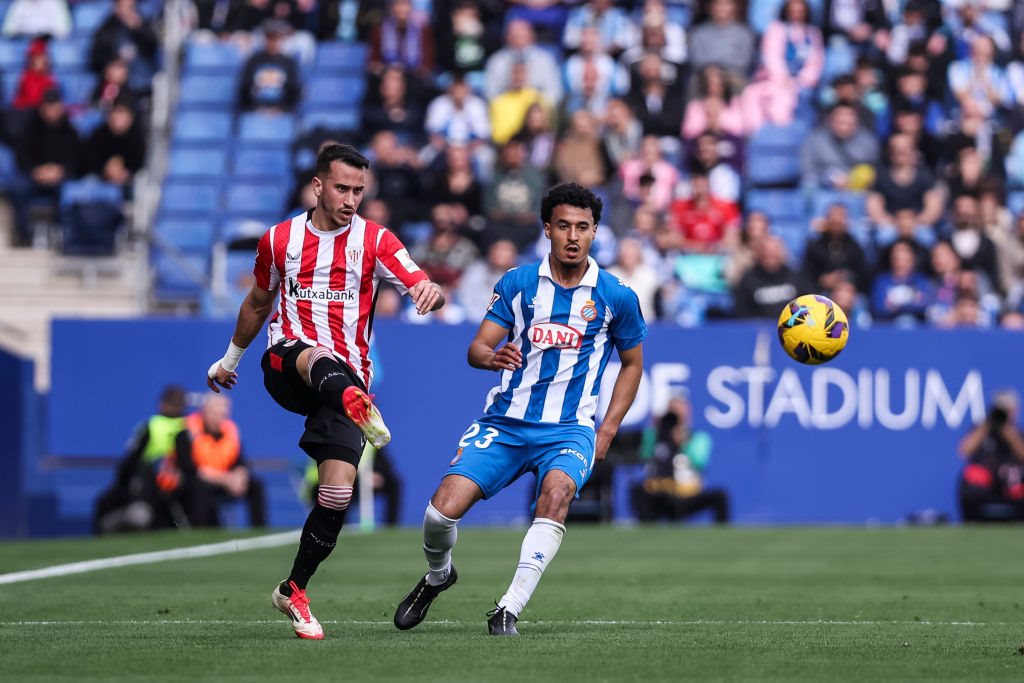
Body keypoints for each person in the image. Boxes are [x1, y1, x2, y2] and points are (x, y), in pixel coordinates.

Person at [206, 143, 445, 640]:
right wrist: (229, 361)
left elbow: (420, 281)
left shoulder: (376, 240)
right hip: (287, 364)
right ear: (318, 186)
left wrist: (430, 291)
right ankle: (355, 404)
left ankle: (293, 589)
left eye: (359, 190)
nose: (351, 200)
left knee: (337, 494)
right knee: (315, 354)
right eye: (342, 188)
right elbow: (257, 302)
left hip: (346, 381)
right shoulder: (280, 240)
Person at [392, 183, 647, 637]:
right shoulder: (518, 283)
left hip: (569, 428)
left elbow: (632, 364)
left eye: (583, 227)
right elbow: (477, 348)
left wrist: (606, 429)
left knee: (556, 496)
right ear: (547, 229)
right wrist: (491, 358)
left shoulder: (617, 295)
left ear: (595, 232)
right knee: (439, 513)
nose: (573, 236)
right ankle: (438, 575)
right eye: (563, 226)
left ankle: (508, 608)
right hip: (506, 423)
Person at [92, 385, 188, 534]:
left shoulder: (153, 425)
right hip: (173, 483)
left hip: (153, 484)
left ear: (163, 404)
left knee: (104, 503)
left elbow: (131, 459)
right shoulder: (189, 425)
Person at [163, 394, 267, 528]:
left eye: (223, 414)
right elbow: (190, 469)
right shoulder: (186, 434)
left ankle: (259, 530)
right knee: (197, 487)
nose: (219, 419)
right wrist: (226, 480)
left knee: (256, 485)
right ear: (204, 412)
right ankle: (201, 530)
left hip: (224, 482)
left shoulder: (230, 432)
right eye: (214, 413)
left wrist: (239, 477)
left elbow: (240, 462)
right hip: (195, 484)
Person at [630, 395, 729, 524]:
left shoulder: (697, 437)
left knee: (720, 496)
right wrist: (656, 430)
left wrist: (683, 442)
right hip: (662, 493)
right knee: (639, 491)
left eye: (679, 413)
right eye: (672, 412)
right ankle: (647, 530)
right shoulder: (656, 436)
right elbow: (644, 457)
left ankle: (721, 533)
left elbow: (700, 462)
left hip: (687, 493)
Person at [957, 389, 1024, 522]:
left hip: (1010, 482)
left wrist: (1007, 430)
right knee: (973, 476)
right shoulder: (982, 428)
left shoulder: (1016, 432)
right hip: (984, 484)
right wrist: (987, 425)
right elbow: (964, 450)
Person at [237, 19, 302, 113]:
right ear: (265, 38)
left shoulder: (289, 62)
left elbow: (293, 91)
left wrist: (281, 109)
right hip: (256, 111)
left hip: (281, 112)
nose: (273, 42)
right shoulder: (253, 61)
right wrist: (256, 108)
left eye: (277, 38)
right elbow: (245, 89)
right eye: (270, 37)